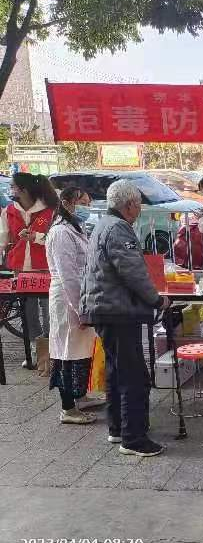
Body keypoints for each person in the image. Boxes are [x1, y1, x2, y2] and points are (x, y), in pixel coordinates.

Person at [80, 180, 170, 457]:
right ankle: (133, 439)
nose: (139, 210)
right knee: (134, 376)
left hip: (105, 308)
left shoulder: (103, 225)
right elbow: (133, 272)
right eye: (138, 204)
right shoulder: (119, 228)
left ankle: (118, 427)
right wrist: (157, 300)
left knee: (117, 372)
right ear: (129, 205)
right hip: (117, 310)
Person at [46, 187, 98, 424]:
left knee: (81, 350)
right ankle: (68, 408)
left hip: (80, 294)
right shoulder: (60, 232)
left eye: (88, 203)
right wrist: (81, 309)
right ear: (67, 203)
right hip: (67, 298)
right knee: (66, 352)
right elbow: (68, 276)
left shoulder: (76, 227)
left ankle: (81, 396)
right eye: (82, 203)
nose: (86, 208)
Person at [0, 172, 59, 373]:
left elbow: (56, 238)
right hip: (20, 268)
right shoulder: (9, 211)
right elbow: (2, 239)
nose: (11, 190)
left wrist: (36, 237)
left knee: (49, 309)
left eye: (13, 186)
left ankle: (51, 351)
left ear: (23, 190)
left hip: (45, 266)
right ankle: (36, 349)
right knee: (27, 311)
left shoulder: (50, 210)